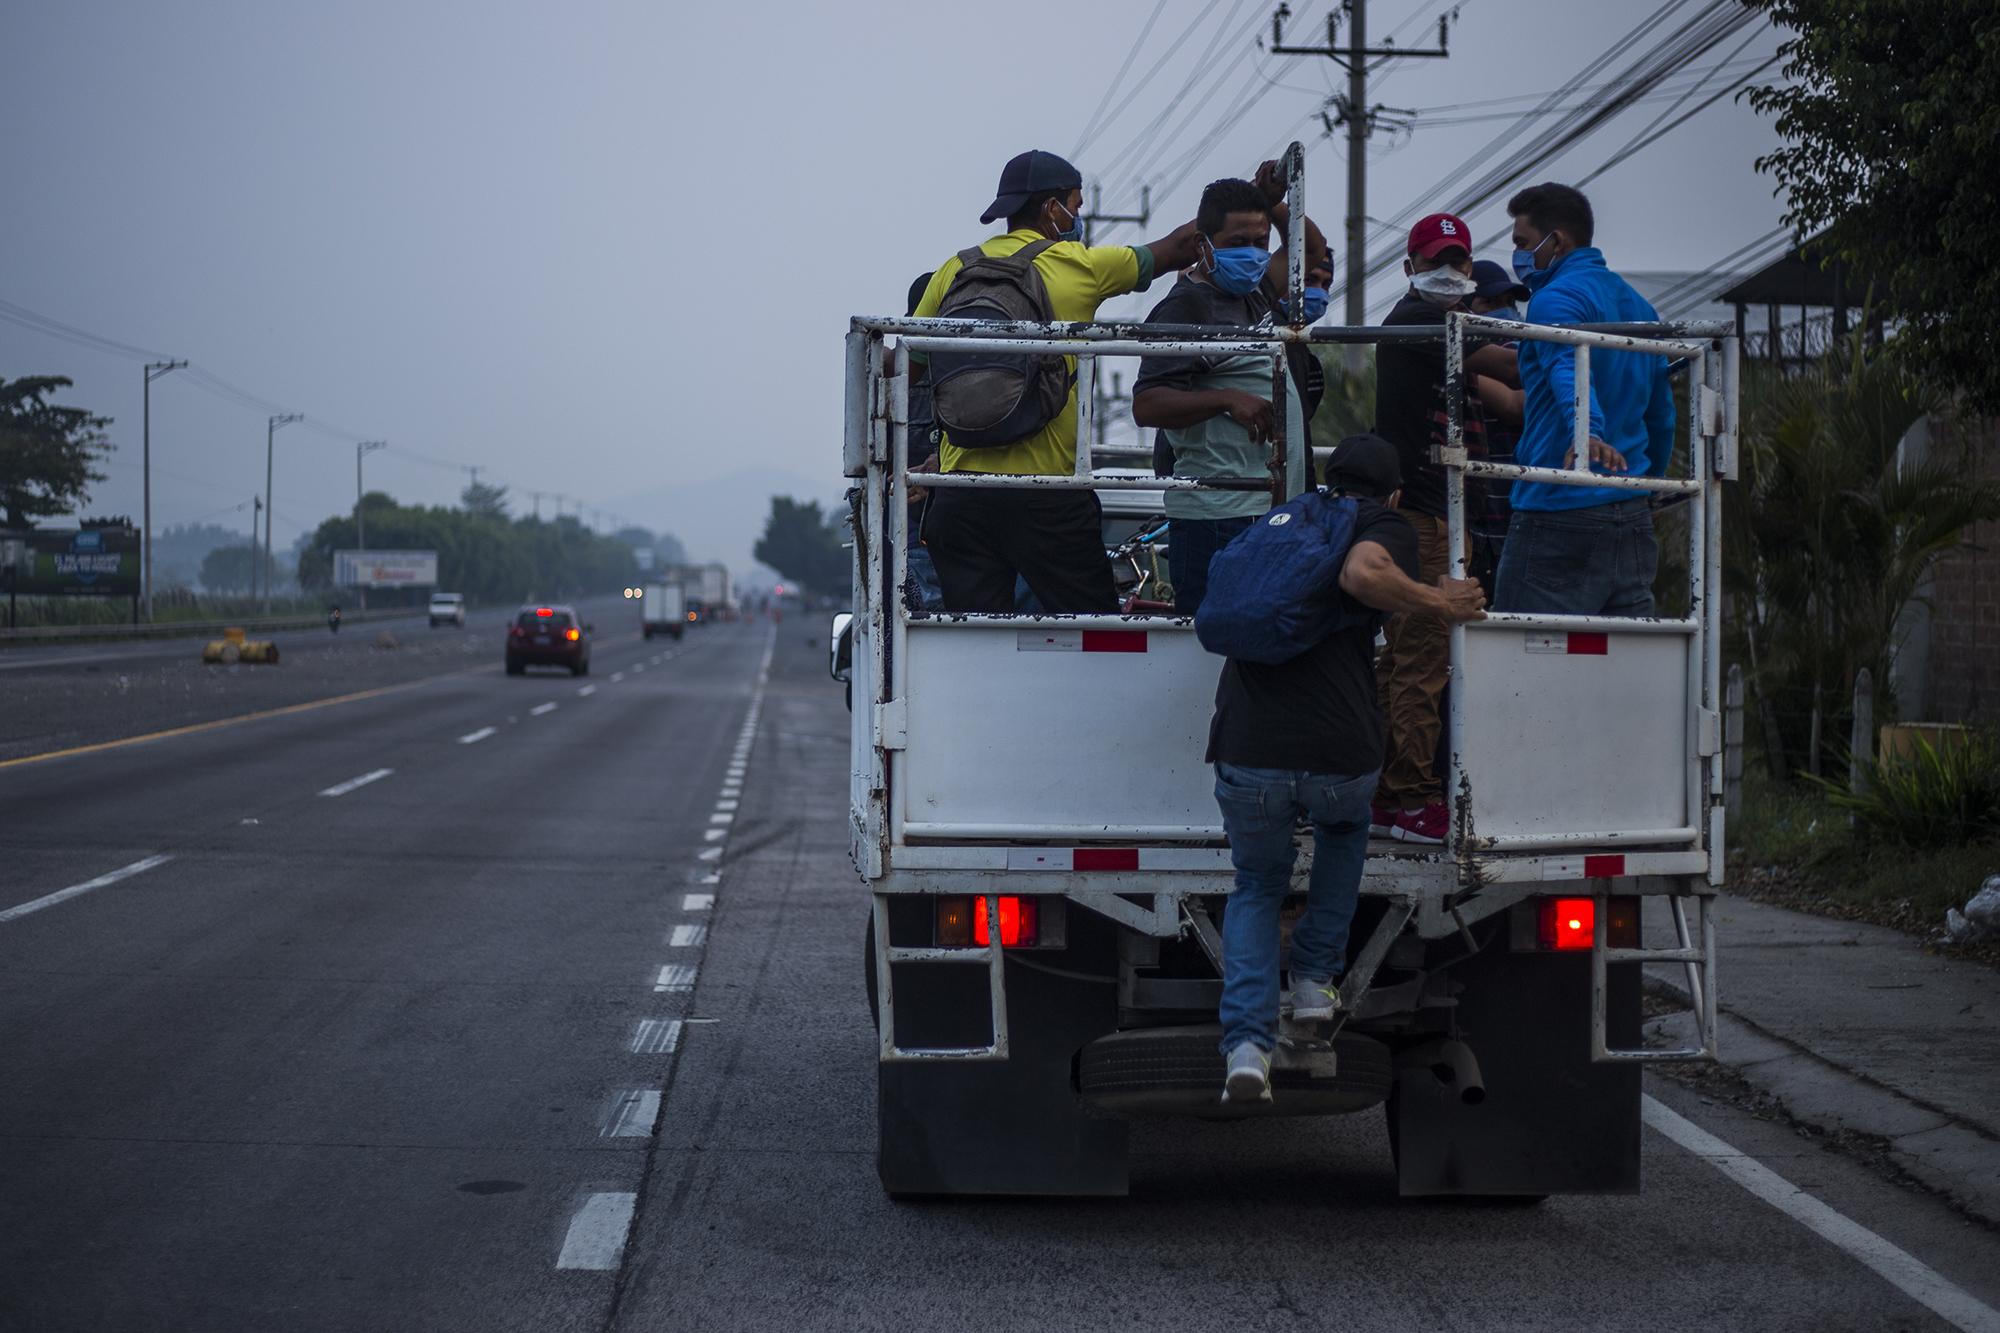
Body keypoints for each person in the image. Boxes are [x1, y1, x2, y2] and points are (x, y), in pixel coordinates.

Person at [1206, 434, 1488, 1103]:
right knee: (1342, 832)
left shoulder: (1287, 517)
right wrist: (1438, 602)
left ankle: (1247, 1045)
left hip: (1246, 744)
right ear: (1392, 494)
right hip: (1338, 749)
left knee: (1256, 885)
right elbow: (1363, 573)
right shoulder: (1379, 521)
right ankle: (1311, 984)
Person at [911, 150, 1202, 613]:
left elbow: (913, 364)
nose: (1078, 216)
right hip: (1047, 496)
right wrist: (1258, 200)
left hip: (961, 493)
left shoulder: (955, 269)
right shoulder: (1078, 265)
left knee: (973, 638)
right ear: (1052, 209)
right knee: (1090, 631)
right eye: (1076, 204)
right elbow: (1176, 249)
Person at [1368, 214, 1519, 845]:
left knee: (1405, 658)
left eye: (1460, 261)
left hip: (1430, 510)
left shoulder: (1440, 329)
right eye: (1437, 260)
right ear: (1409, 268)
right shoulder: (1418, 323)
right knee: (1422, 661)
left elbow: (1502, 390)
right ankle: (1410, 800)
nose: (1450, 271)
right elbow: (1509, 368)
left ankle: (1386, 793)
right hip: (1422, 514)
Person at [1130, 178, 1318, 615]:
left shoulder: (1257, 294)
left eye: (1260, 242)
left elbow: (1307, 246)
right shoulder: (1186, 307)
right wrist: (1227, 399)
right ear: (1203, 244)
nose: (1252, 254)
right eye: (1237, 242)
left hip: (1268, 503)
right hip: (1217, 514)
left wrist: (1274, 198)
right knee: (1214, 644)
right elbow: (1148, 404)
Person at [1499, 182, 1676, 616]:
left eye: (1522, 243)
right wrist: (1648, 481)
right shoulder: (1639, 307)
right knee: (1620, 668)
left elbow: (1567, 366)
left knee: (1521, 664)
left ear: (1555, 241)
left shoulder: (1553, 300)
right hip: (1630, 511)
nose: (1519, 256)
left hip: (1560, 506)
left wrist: (1588, 434)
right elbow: (1662, 415)